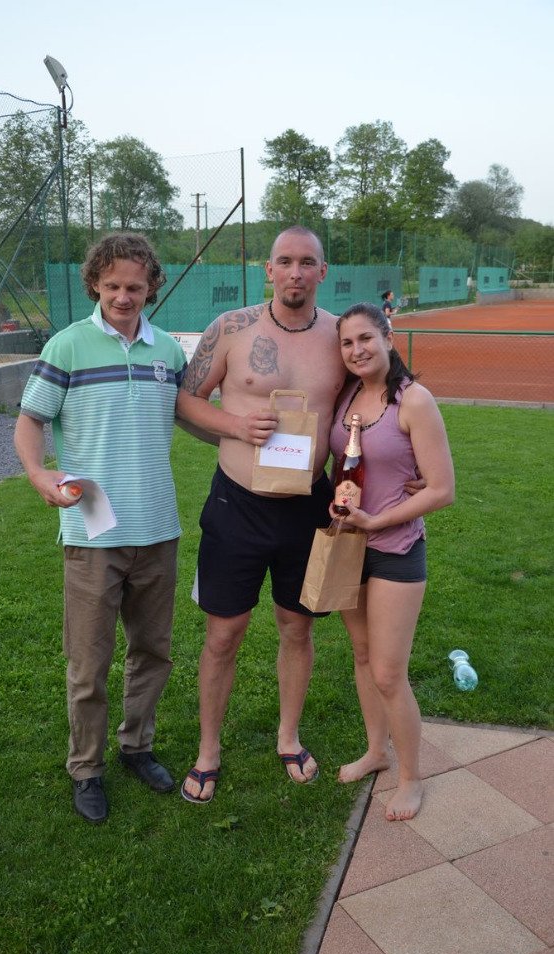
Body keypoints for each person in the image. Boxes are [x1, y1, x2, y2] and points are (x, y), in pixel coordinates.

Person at [14, 233, 188, 824]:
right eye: (112, 285)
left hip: (158, 528)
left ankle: (136, 746)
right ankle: (86, 768)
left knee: (153, 652)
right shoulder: (66, 345)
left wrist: (251, 433)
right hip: (93, 536)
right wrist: (38, 473)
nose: (123, 296)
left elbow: (193, 417)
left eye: (134, 286)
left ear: (151, 287)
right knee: (88, 664)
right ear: (94, 284)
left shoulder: (168, 350)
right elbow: (30, 421)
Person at [177, 226, 348, 803]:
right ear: (268, 270)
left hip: (308, 507)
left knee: (297, 628)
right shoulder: (231, 328)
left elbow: (378, 403)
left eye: (307, 262)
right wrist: (235, 425)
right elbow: (184, 399)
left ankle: (288, 737)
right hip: (237, 504)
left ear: (322, 271)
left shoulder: (341, 336)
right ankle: (208, 750)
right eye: (285, 261)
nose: (296, 272)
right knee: (223, 633)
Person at [329, 302, 455, 821]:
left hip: (395, 548)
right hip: (347, 546)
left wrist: (378, 520)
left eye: (366, 338)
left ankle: (410, 778)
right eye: (347, 342)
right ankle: (375, 751)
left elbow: (442, 489)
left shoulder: (414, 400)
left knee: (387, 672)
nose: (356, 350)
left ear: (388, 337)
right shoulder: (346, 395)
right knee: (362, 656)